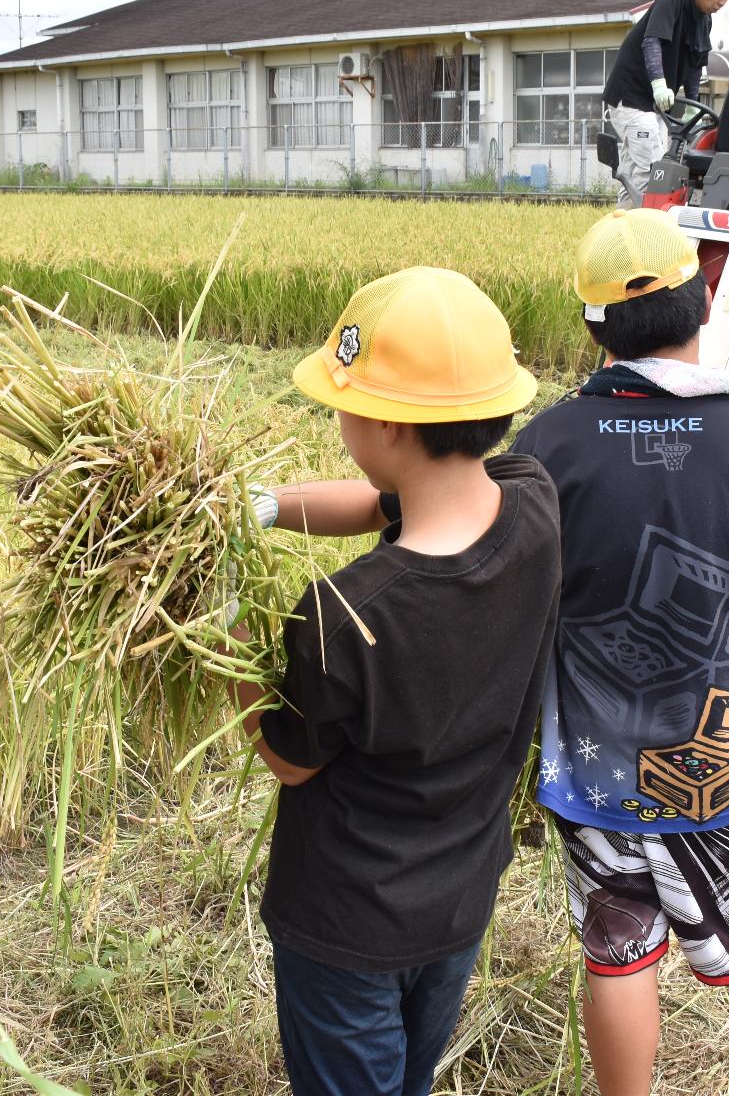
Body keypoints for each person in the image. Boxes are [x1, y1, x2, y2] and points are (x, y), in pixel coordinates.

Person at [510, 210, 729, 1096]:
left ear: (592, 326)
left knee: (618, 953)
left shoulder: (544, 445)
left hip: (594, 770)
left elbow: (522, 589)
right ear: (703, 304)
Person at [225, 267, 557, 1096]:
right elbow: (385, 507)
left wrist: (222, 630)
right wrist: (261, 507)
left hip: (344, 924)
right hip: (456, 900)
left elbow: (287, 758)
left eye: (344, 404)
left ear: (387, 425)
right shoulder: (531, 501)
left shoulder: (343, 617)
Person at [601, 0, 729, 206]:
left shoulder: (704, 21)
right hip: (632, 97)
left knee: (635, 174)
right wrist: (658, 82)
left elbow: (695, 65)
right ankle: (649, 237)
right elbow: (651, 41)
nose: (721, 3)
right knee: (655, 173)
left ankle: (621, 232)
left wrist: (692, 105)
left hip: (658, 107)